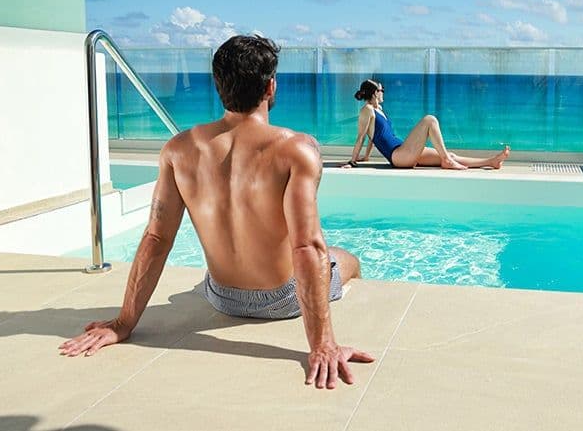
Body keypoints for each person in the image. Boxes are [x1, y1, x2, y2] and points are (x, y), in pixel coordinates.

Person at [60, 36, 374, 390]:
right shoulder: (296, 149)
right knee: (345, 259)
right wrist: (322, 345)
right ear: (271, 86)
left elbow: (157, 238)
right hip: (282, 299)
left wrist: (124, 322)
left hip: (221, 294)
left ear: (218, 85)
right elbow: (307, 248)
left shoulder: (178, 150)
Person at [344, 79, 511, 170]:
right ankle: (446, 161)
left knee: (449, 154)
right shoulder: (367, 110)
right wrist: (352, 162)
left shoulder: (378, 109)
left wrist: (366, 157)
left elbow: (373, 136)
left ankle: (491, 161)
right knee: (430, 120)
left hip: (403, 150)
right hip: (398, 156)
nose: (383, 93)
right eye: (382, 90)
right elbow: (361, 136)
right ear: (375, 93)